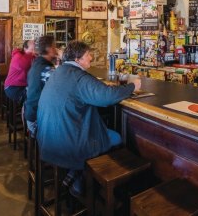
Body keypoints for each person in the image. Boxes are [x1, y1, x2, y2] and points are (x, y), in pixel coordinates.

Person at [37, 41, 141, 196]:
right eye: (88, 55)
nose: (91, 57)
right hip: (67, 144)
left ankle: (74, 174)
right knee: (116, 137)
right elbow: (107, 96)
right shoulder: (79, 77)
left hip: (47, 139)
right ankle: (102, 187)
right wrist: (133, 86)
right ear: (78, 59)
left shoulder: (59, 72)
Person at [24, 36, 57, 138]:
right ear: (49, 49)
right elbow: (65, 84)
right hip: (37, 120)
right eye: (54, 46)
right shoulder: (46, 69)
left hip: (30, 113)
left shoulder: (37, 63)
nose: (56, 49)